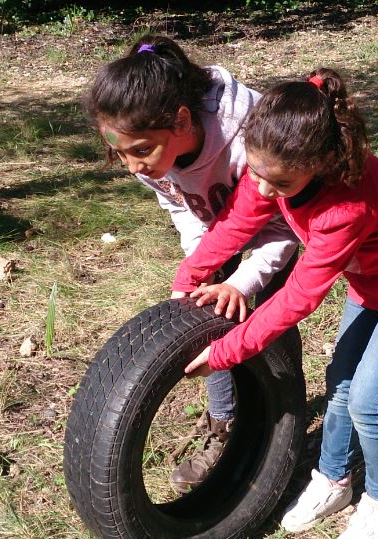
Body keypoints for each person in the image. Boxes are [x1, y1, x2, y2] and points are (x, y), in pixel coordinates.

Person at [173, 68, 378, 539]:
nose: (265, 190)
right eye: (257, 172)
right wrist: (187, 280)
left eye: (281, 182)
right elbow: (232, 227)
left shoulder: (342, 207)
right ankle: (334, 477)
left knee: (370, 399)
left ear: (322, 162)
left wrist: (228, 351)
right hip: (374, 275)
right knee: (341, 380)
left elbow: (299, 297)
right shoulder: (271, 170)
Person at [84, 34, 298, 493]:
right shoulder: (147, 153)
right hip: (219, 230)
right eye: (119, 154)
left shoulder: (253, 135)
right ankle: (225, 422)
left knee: (274, 324)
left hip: (278, 226)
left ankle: (285, 424)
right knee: (207, 318)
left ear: (182, 120)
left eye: (139, 151)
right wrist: (202, 263)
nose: (131, 167)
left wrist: (244, 281)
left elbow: (284, 228)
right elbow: (183, 206)